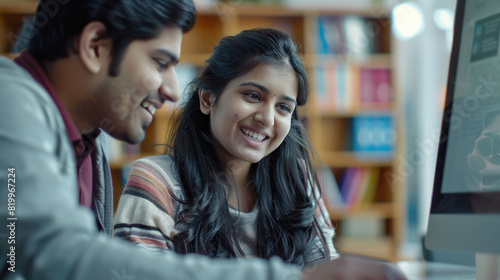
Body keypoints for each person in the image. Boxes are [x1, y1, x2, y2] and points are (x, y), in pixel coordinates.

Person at [0, 0, 408, 279]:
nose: (173, 91)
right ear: (95, 46)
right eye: (160, 63)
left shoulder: (88, 144)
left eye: (285, 107)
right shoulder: (10, 101)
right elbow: (49, 253)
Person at [113, 28, 336, 267]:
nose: (268, 119)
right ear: (208, 99)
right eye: (253, 95)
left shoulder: (298, 178)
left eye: (283, 107)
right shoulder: (156, 182)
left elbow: (326, 270)